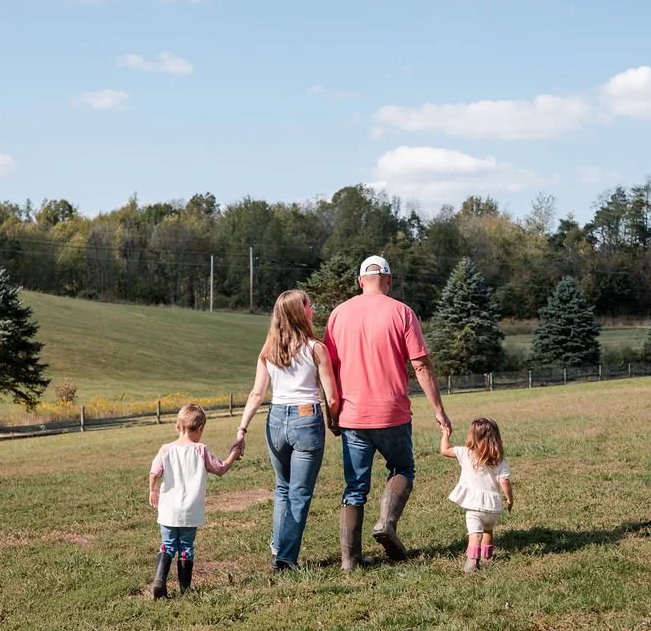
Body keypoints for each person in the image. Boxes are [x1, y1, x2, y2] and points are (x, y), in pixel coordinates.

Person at [323, 254, 452, 570]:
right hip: (392, 413)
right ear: (389, 280)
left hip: (352, 416)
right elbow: (419, 364)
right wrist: (439, 409)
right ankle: (385, 523)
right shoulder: (403, 312)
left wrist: (333, 411)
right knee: (403, 470)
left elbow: (328, 368)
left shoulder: (338, 315)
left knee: (355, 487)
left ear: (360, 281)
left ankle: (349, 560)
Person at [233, 289, 340, 571]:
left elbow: (257, 394)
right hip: (306, 419)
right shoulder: (316, 348)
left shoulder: (268, 350)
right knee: (300, 493)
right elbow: (331, 397)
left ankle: (278, 548)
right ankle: (286, 558)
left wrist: (242, 430)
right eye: (308, 305)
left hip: (276, 421)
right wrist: (333, 420)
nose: (312, 309)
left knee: (282, 488)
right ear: (298, 312)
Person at [148, 404, 241, 598]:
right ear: (200, 429)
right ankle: (185, 589)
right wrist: (234, 454)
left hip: (168, 509)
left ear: (177, 426)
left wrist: (153, 490)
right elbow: (220, 469)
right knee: (186, 547)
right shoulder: (201, 450)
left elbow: (154, 472)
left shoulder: (166, 449)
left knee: (167, 544)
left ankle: (159, 580)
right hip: (190, 510)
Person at [440, 417, 513, 573]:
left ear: (472, 436)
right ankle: (487, 557)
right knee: (488, 531)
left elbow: (445, 450)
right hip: (493, 507)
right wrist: (509, 498)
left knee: (475, 534)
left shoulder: (465, 453)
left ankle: (472, 561)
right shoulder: (499, 460)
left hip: (474, 506)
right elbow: (504, 481)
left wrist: (445, 434)